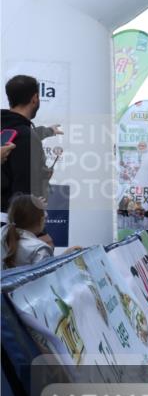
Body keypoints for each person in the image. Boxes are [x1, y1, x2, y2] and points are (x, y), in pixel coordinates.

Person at [2, 75, 63, 217]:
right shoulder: (27, 137)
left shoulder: (9, 126)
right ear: (35, 98)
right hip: (15, 223)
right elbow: (23, 192)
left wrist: (48, 131)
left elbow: (18, 131)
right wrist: (39, 233)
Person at [1, 194, 80, 268]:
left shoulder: (3, 233)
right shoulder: (40, 249)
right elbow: (45, 278)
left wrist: (63, 256)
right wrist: (66, 258)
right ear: (42, 220)